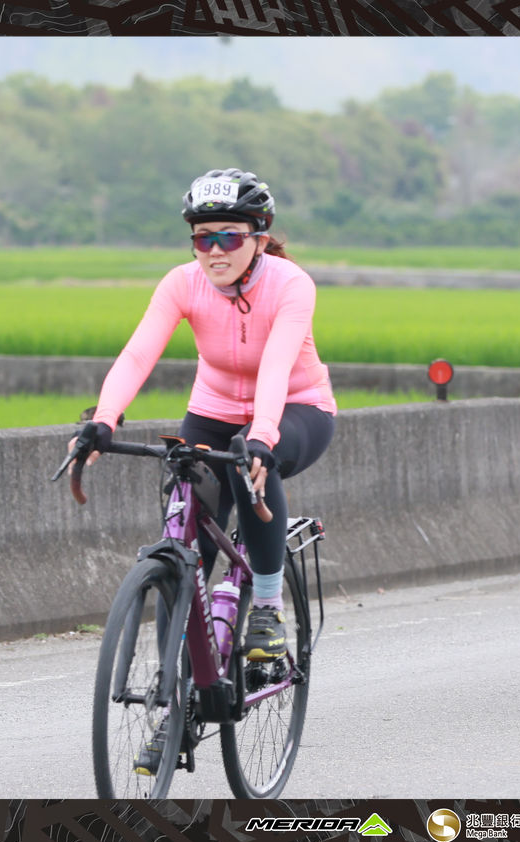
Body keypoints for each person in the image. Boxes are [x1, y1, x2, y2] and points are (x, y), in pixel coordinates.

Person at [70, 167, 336, 663]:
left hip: (296, 408)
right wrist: (104, 418)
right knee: (189, 516)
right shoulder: (182, 283)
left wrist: (262, 437)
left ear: (258, 238)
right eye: (201, 239)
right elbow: (138, 354)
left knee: (249, 469)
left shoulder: (291, 285)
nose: (214, 251)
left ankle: (267, 607)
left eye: (228, 237)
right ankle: (178, 670)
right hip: (212, 411)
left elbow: (276, 366)